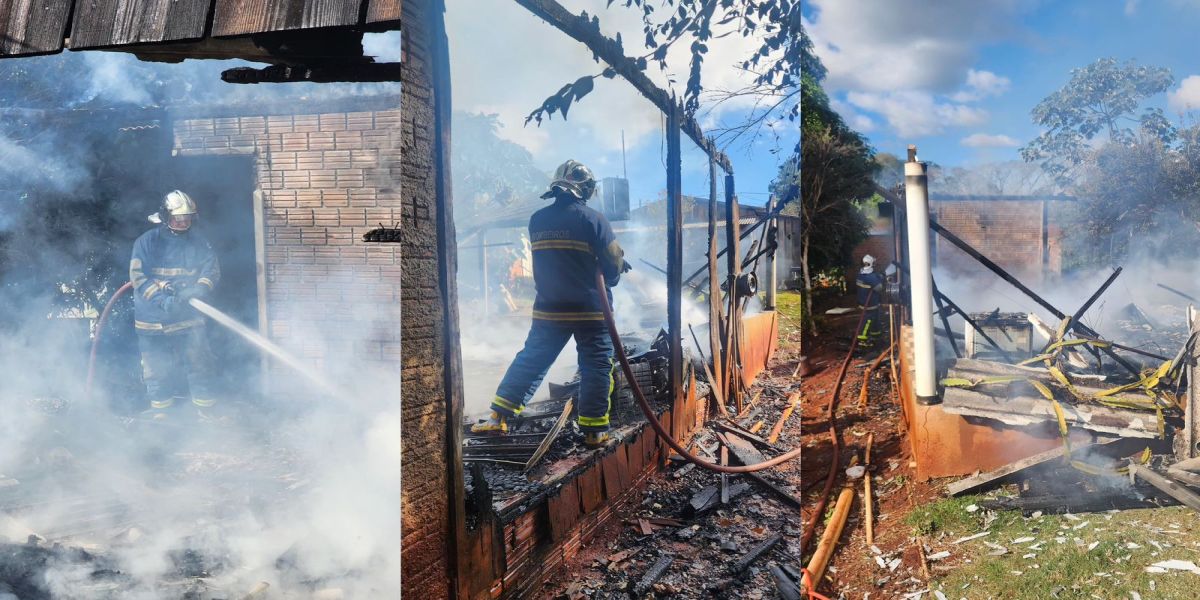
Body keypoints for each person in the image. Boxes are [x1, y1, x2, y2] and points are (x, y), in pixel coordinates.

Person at [472, 160, 630, 448]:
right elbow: (613, 266)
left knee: (532, 359)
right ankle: (595, 431)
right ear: (585, 189)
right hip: (591, 310)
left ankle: (498, 417)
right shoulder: (594, 220)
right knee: (596, 365)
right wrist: (614, 267)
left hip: (550, 309)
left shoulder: (537, 220)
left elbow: (559, 259)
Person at [129, 190, 221, 420]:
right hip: (151, 317)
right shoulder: (147, 242)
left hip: (187, 314)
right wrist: (162, 300)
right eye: (177, 218)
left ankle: (206, 410)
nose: (182, 222)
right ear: (164, 217)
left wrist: (198, 288)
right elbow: (138, 276)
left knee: (199, 361)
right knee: (155, 366)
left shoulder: (199, 242)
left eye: (187, 218)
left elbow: (211, 269)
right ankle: (161, 412)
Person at [855, 254, 884, 345]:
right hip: (870, 304)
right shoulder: (872, 277)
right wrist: (880, 279)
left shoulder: (860, 274)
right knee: (867, 321)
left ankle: (876, 336)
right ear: (871, 264)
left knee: (875, 320)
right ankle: (862, 339)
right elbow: (879, 288)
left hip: (863, 302)